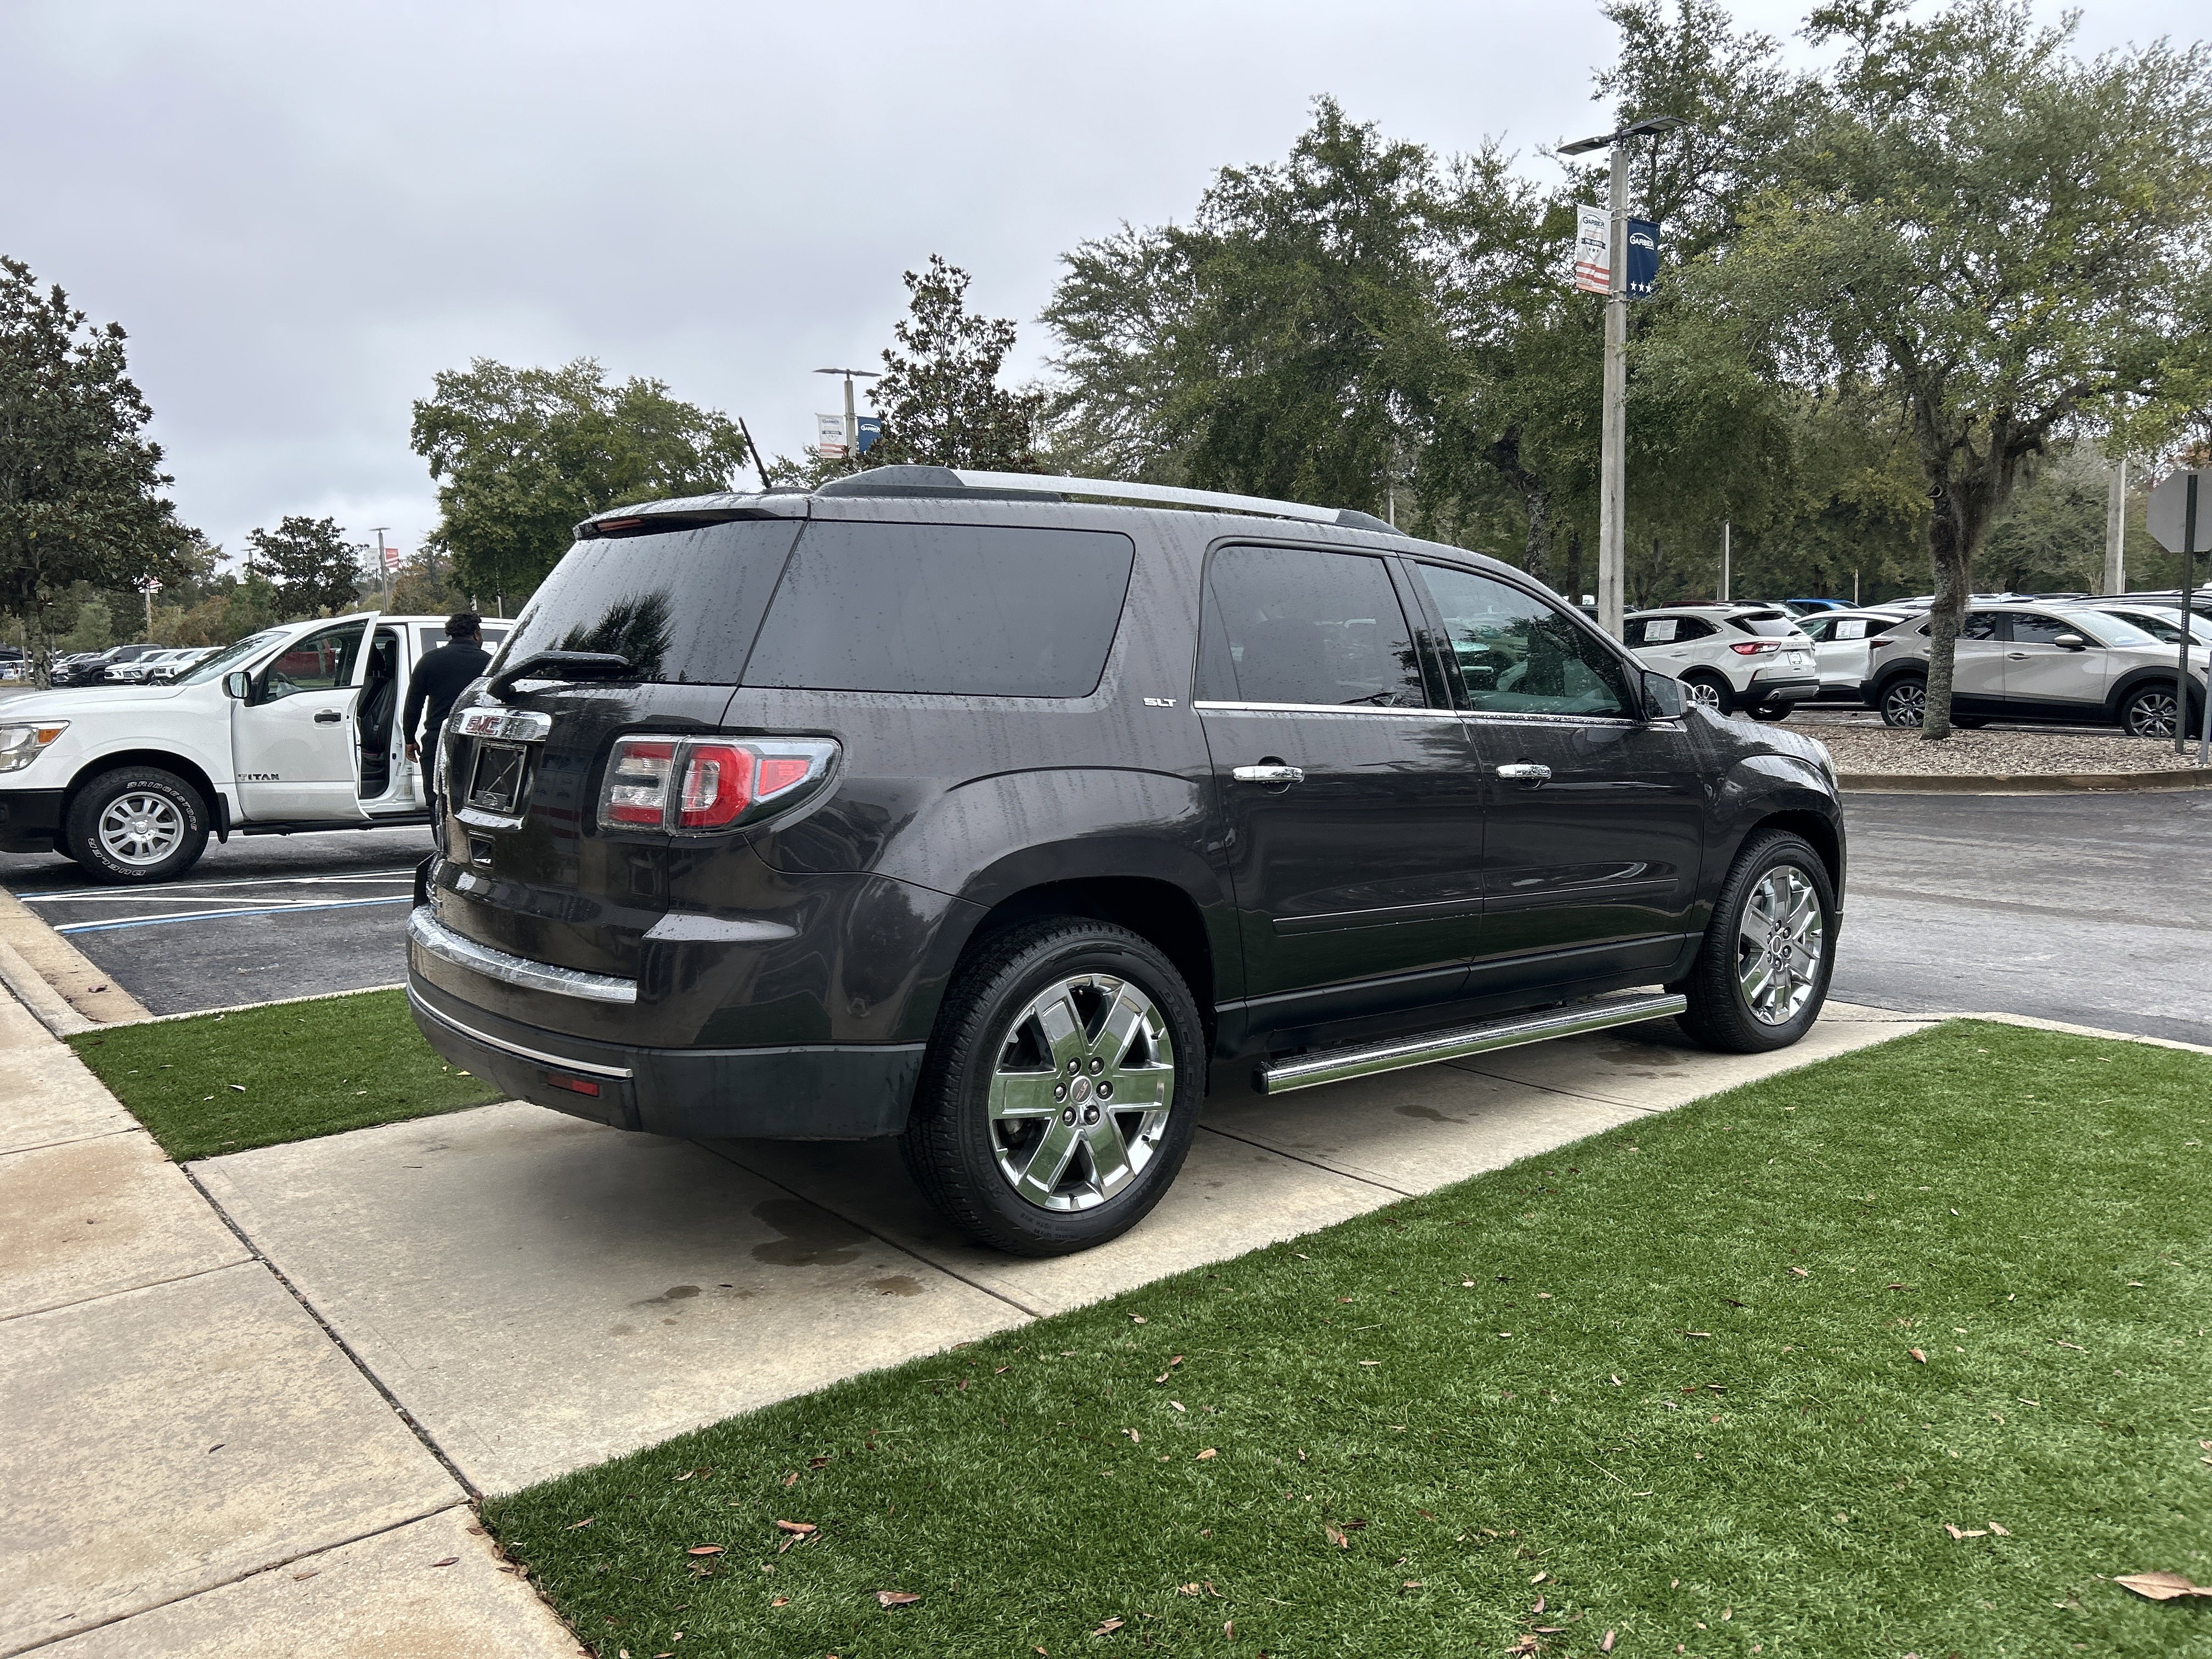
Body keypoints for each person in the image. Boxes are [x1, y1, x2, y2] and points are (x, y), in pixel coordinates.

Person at [404, 612, 492, 822]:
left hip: (439, 740)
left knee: (438, 800)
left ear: (450, 635)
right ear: (476, 634)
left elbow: (413, 704)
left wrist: (409, 739)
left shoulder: (430, 660)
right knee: (479, 802)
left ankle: (443, 846)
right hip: (479, 741)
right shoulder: (489, 664)